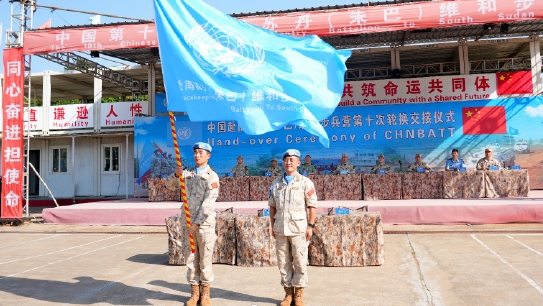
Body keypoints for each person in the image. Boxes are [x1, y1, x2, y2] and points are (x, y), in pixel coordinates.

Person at [164, 142, 220, 306]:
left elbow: (208, 204)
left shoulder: (212, 177)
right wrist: (176, 174)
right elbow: (169, 185)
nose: (197, 155)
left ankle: (206, 294)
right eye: (195, 152)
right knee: (191, 258)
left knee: (205, 259)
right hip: (187, 223)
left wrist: (195, 224)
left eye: (201, 152)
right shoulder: (186, 174)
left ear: (208, 155)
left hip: (204, 225)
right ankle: (194, 293)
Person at [269, 149, 317, 306]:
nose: (289, 162)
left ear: (298, 163)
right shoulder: (276, 184)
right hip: (281, 228)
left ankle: (299, 294)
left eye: (292, 159)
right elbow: (272, 207)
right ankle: (288, 294)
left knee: (300, 261)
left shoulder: (305, 182)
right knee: (283, 262)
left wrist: (310, 226)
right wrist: (272, 225)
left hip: (299, 229)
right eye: (286, 160)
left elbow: (311, 206)